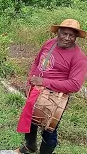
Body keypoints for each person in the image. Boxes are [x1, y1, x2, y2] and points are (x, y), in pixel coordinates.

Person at [15, 19, 87, 154]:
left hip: (55, 98)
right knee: (30, 119)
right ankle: (30, 147)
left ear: (76, 37)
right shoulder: (49, 44)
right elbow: (36, 62)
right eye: (64, 33)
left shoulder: (79, 57)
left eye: (71, 35)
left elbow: (75, 85)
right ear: (58, 32)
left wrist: (44, 82)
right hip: (36, 91)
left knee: (49, 129)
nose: (67, 38)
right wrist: (29, 81)